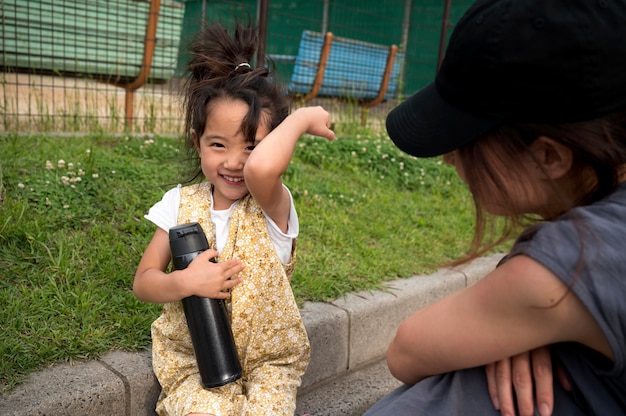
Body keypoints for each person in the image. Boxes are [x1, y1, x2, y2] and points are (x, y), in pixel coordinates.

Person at [365, 0, 626, 415]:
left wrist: (528, 299)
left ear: (551, 157)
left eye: (465, 143)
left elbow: (406, 352)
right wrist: (525, 323)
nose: (450, 159)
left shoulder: (577, 260)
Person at [133, 21, 334, 416]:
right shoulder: (178, 204)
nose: (234, 162)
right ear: (198, 142)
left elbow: (260, 171)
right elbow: (144, 282)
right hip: (194, 359)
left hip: (268, 363)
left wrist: (302, 118)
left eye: (251, 147)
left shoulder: (272, 204)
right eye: (218, 145)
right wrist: (183, 282)